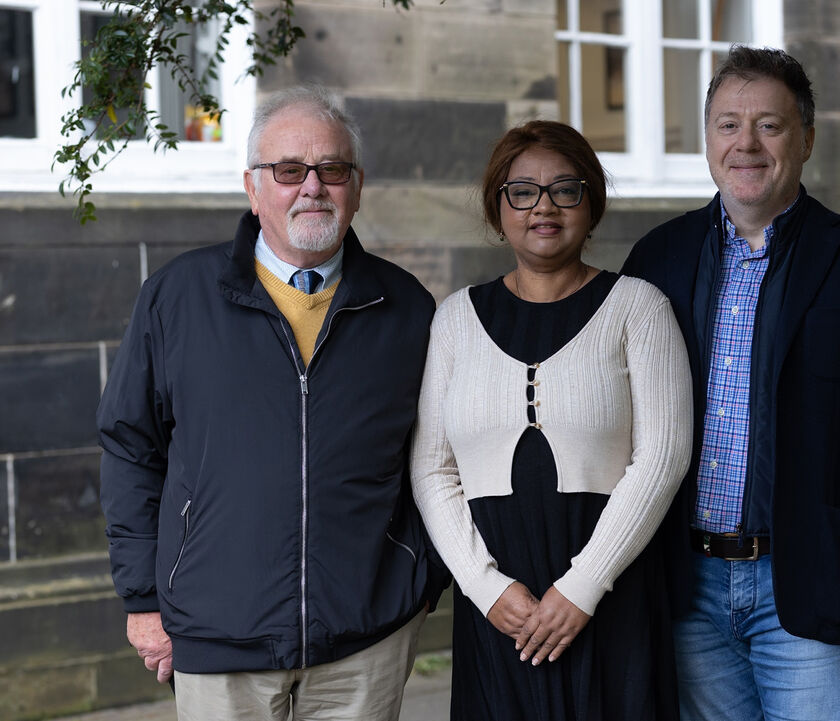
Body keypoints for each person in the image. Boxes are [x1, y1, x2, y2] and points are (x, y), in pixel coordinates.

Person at [97, 85, 446, 721]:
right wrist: (143, 601)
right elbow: (130, 448)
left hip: (364, 643)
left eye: (332, 170)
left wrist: (422, 582)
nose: (312, 187)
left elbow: (440, 455)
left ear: (357, 187)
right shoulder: (176, 299)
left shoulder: (407, 308)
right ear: (254, 188)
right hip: (218, 638)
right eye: (289, 170)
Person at [621, 47, 840, 720]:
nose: (747, 143)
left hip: (804, 576)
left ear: (807, 138)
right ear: (707, 140)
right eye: (729, 124)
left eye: (771, 124)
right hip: (686, 585)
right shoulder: (656, 260)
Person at [410, 120, 693, 721]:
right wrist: (486, 589)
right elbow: (432, 469)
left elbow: (663, 457)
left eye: (566, 189)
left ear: (591, 204)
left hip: (610, 587)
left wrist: (583, 587)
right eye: (523, 191)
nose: (544, 206)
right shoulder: (455, 318)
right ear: (498, 206)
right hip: (499, 602)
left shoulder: (638, 308)